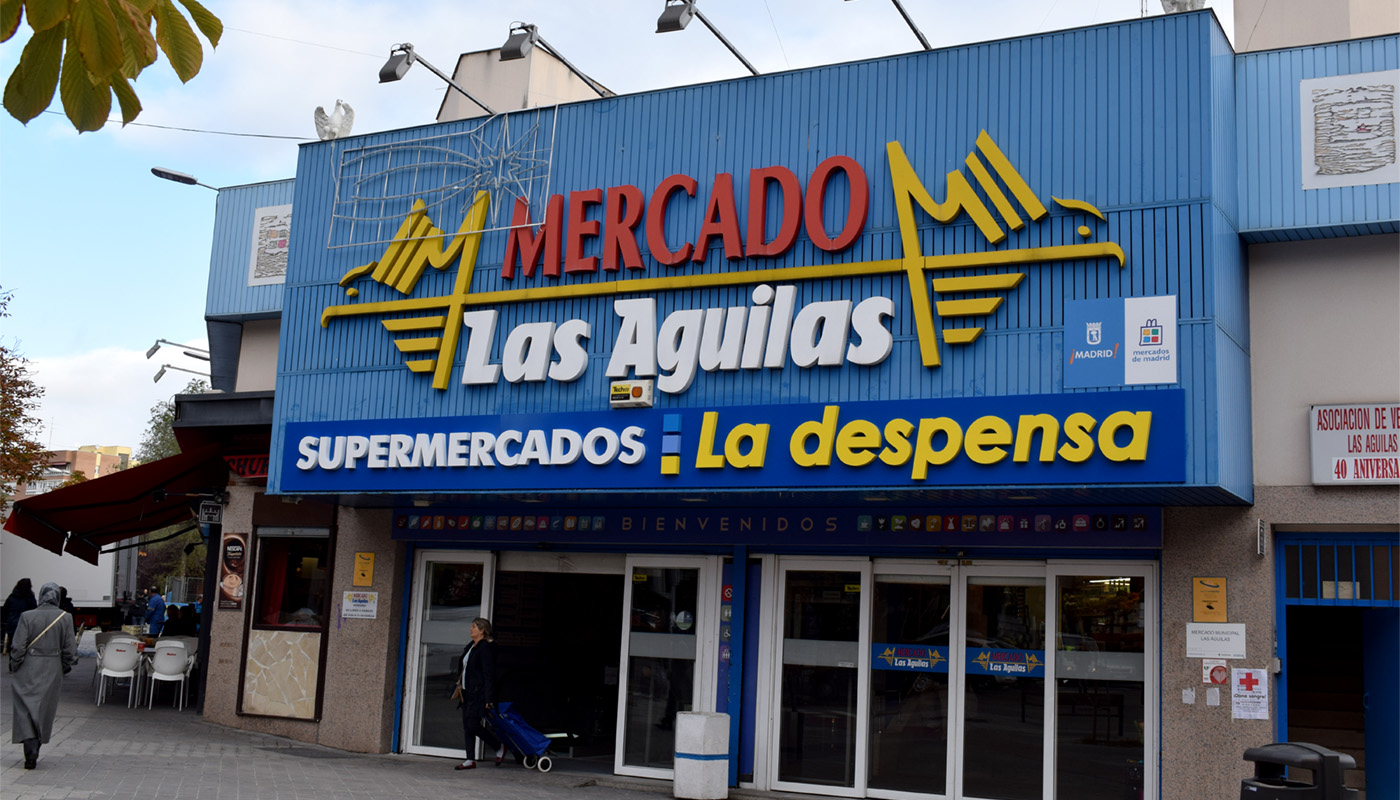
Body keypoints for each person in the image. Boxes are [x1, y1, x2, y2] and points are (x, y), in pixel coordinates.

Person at [9, 582, 78, 769]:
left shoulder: (27, 616)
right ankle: (37, 743)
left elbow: (17, 646)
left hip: (28, 666)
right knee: (45, 708)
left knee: (25, 706)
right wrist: (62, 667)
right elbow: (70, 650)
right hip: (53, 667)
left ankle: (29, 743)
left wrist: (16, 665)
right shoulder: (65, 617)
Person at [453, 617, 506, 771]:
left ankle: (498, 746)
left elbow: (489, 674)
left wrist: (489, 698)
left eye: (474, 627)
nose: (471, 629)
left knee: (472, 724)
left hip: (478, 693)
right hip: (466, 692)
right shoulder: (472, 645)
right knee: (467, 726)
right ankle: (470, 759)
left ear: (482, 630)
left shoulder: (485, 648)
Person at [2, 579, 38, 655]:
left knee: (13, 647)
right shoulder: (30, 598)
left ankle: (13, 664)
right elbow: (34, 611)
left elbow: (5, 611)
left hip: (12, 625)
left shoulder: (11, 597)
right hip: (26, 625)